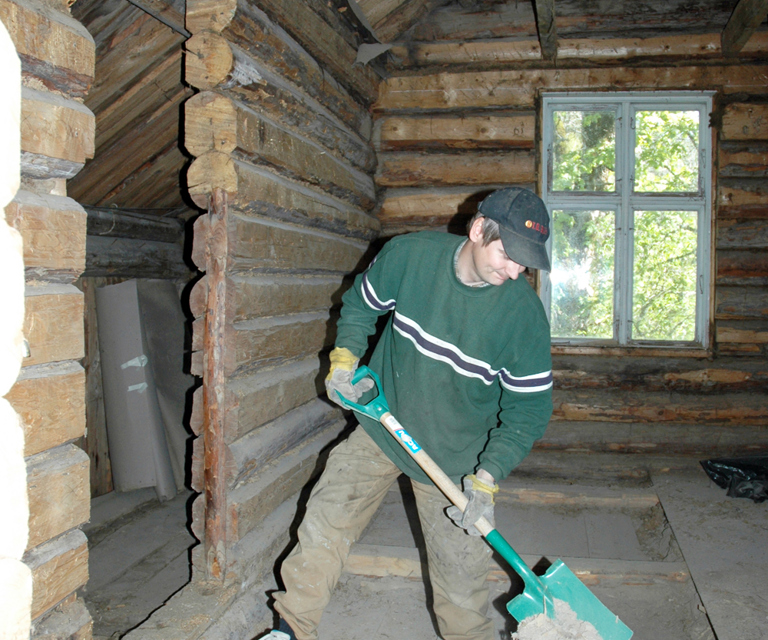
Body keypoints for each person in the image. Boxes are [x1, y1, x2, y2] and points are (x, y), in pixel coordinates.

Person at [260, 187, 554, 640]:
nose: (515, 270)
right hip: (384, 426)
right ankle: (290, 629)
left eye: (526, 262)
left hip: (456, 462)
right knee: (326, 519)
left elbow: (528, 410)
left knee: (460, 587)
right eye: (508, 253)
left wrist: (488, 477)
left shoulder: (523, 317)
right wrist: (344, 361)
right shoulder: (410, 257)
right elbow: (360, 305)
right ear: (478, 230)